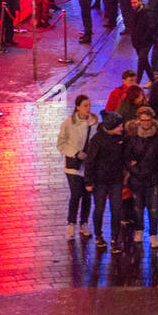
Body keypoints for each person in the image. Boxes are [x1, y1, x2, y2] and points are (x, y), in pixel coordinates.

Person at [83, 111, 128, 253]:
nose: (122, 128)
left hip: (116, 180)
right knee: (100, 208)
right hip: (100, 181)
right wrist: (88, 182)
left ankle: (115, 239)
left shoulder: (120, 138)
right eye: (119, 126)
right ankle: (99, 235)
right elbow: (90, 162)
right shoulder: (97, 140)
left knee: (116, 210)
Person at [56, 94, 98, 239]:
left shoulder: (95, 123)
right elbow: (61, 144)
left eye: (89, 105)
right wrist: (75, 153)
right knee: (76, 194)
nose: (88, 108)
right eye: (85, 105)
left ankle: (83, 223)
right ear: (78, 107)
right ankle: (71, 223)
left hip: (89, 166)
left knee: (87, 195)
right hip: (73, 166)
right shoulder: (68, 123)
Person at [124, 106, 158, 248]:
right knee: (138, 207)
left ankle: (153, 234)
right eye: (143, 120)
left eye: (148, 120)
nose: (146, 123)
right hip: (137, 178)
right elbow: (127, 158)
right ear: (138, 121)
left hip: (153, 178)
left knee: (153, 208)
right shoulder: (133, 138)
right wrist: (135, 170)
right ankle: (139, 230)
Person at [128, 0, 158, 84]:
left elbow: (150, 29)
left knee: (141, 61)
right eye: (132, 3)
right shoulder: (133, 12)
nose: (133, 5)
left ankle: (137, 83)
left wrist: (144, 40)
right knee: (144, 61)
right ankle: (153, 80)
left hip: (146, 42)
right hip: (137, 42)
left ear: (140, 1)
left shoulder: (147, 12)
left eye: (135, 2)